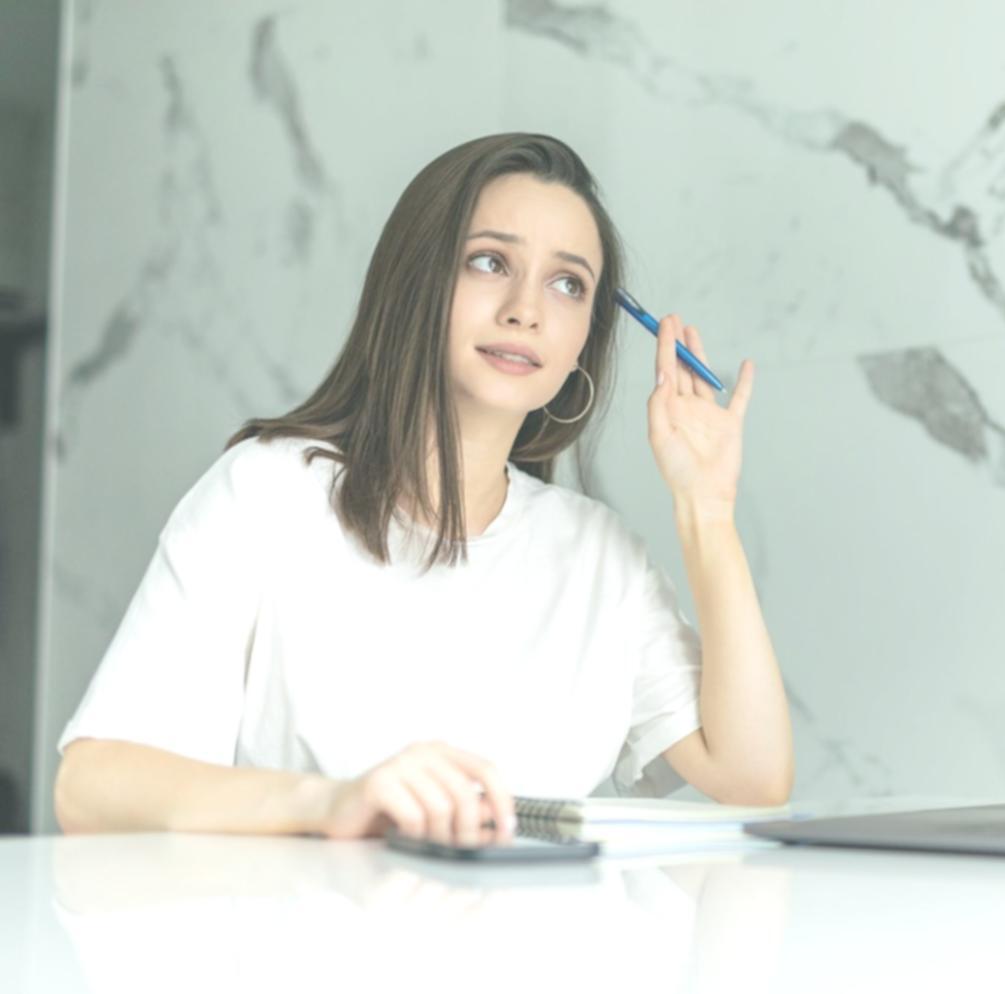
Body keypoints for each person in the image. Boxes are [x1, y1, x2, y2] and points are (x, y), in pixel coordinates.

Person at [53, 133, 793, 846]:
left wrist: (707, 509)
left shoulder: (601, 556)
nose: (526, 309)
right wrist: (334, 804)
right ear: (415, 280)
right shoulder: (268, 491)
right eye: (489, 262)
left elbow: (752, 775)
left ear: (583, 343)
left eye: (568, 283)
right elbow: (88, 786)